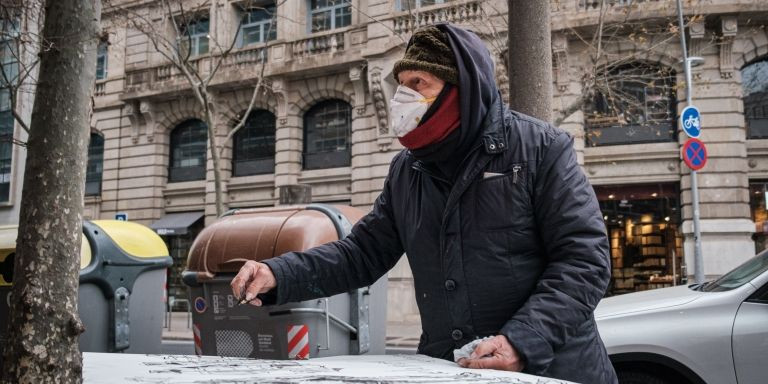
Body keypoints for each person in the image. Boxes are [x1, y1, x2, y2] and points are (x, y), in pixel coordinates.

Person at [231, 23, 618, 383]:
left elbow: (585, 261)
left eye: (419, 83)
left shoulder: (541, 148)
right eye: (401, 85)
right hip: (451, 366)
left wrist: (523, 340)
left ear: (460, 87)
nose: (404, 97)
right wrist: (280, 273)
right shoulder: (406, 170)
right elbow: (362, 253)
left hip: (551, 367)